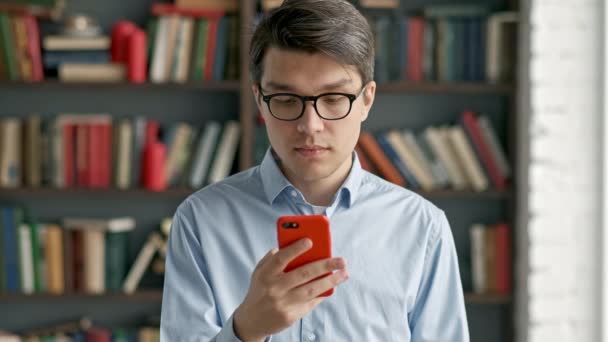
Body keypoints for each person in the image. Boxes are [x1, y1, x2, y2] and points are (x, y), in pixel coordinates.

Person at [160, 0, 469, 341]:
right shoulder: (201, 220)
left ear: (366, 100)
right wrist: (246, 329)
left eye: (334, 98)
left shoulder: (422, 227)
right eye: (287, 100)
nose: (310, 126)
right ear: (260, 100)